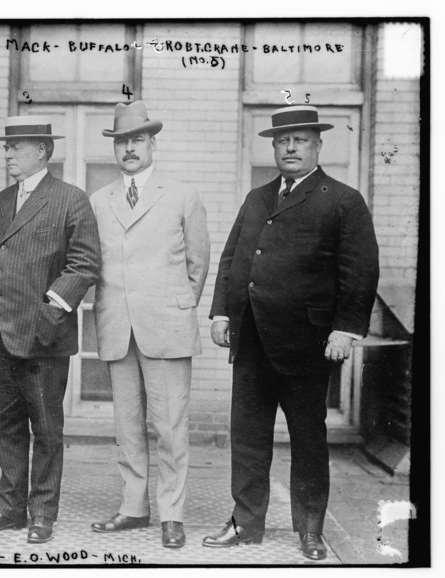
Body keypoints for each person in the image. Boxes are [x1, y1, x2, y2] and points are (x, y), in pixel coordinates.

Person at [204, 105, 379, 560]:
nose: (291, 147)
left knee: (307, 438)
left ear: (319, 145)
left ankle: (309, 530)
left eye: (301, 140)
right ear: (274, 147)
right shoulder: (258, 197)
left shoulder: (341, 199)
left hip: (307, 344)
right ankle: (246, 524)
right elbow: (233, 259)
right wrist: (221, 314)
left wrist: (345, 329)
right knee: (247, 438)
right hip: (252, 341)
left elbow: (359, 273)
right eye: (283, 141)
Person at [0, 116, 101, 544]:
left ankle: (42, 512)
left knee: (46, 429)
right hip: (0, 335)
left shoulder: (70, 199)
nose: (8, 153)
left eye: (17, 146)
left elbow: (83, 265)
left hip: (44, 336)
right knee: (0, 425)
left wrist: (50, 311)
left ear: (43, 151)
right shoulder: (0, 202)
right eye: (6, 147)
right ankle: (10, 508)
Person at [88, 101, 210, 548]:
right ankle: (134, 507)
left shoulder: (181, 194)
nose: (129, 148)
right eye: (122, 141)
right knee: (127, 425)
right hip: (118, 326)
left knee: (171, 426)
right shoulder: (99, 200)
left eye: (137, 139)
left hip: (167, 327)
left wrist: (175, 307)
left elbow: (198, 263)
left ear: (152, 143)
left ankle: (172, 514)